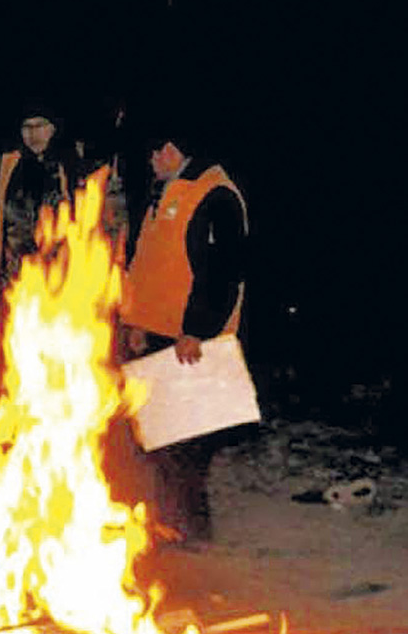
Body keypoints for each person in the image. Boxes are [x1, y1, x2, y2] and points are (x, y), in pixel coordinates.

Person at [120, 131, 250, 543]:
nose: (152, 160)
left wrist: (197, 330)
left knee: (188, 448)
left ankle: (193, 535)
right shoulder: (165, 193)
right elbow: (148, 262)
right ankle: (169, 525)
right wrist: (137, 321)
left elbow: (222, 273)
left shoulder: (216, 196)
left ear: (174, 149)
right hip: (158, 337)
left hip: (194, 342)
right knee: (159, 441)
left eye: (155, 152)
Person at [0, 102, 79, 306]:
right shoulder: (8, 165)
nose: (33, 133)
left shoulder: (70, 166)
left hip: (61, 276)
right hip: (17, 277)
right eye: (27, 127)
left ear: (52, 129)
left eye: (40, 125)